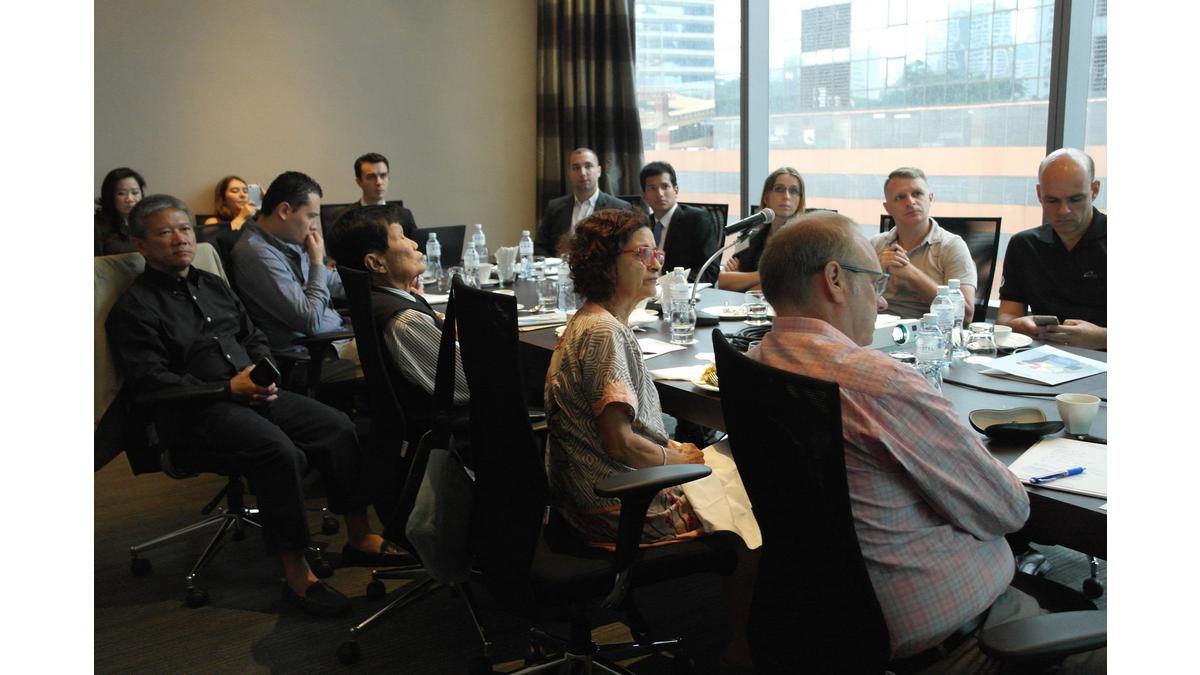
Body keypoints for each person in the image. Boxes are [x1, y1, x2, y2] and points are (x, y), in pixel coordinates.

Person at [750, 213, 1099, 671]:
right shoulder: (879, 382)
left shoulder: (757, 362)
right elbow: (1010, 510)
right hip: (962, 638)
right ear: (834, 280)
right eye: (874, 283)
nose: (880, 302)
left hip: (823, 612)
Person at [106, 194, 405, 618]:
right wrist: (227, 388)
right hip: (197, 413)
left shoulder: (213, 285)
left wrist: (263, 372)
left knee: (337, 426)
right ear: (140, 244)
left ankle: (360, 538)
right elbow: (152, 384)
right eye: (165, 233)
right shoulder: (134, 309)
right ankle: (297, 577)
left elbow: (253, 336)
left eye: (185, 229)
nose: (180, 239)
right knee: (278, 451)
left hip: (253, 391)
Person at [545, 208, 754, 667]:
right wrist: (679, 458)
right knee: (755, 512)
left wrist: (677, 451)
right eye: (643, 253)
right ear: (606, 264)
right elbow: (621, 444)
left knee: (725, 464)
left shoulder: (590, 321)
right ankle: (742, 650)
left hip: (584, 497)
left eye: (656, 251)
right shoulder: (605, 334)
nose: (657, 262)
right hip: (616, 507)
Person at [327, 204, 469, 408]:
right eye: (401, 237)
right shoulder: (407, 321)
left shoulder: (380, 298)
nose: (414, 243)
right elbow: (472, 383)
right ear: (376, 263)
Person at [231, 171, 359, 382]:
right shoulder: (256, 253)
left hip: (338, 340)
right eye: (311, 216)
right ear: (284, 211)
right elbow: (310, 320)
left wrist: (379, 284)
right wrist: (317, 262)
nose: (314, 226)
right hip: (313, 359)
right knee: (392, 354)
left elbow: (331, 281)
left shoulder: (287, 242)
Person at [998, 148, 1106, 350]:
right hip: (1040, 356)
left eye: (1075, 199)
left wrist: (1101, 338)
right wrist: (1018, 325)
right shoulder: (1024, 245)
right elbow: (1006, 317)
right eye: (1052, 200)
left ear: (1095, 190)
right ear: (1040, 195)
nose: (1063, 210)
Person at [871, 167, 977, 322]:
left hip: (929, 332)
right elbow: (848, 303)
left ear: (930, 198)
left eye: (917, 194)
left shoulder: (952, 246)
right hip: (877, 329)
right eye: (900, 197)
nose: (910, 202)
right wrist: (876, 272)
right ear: (888, 208)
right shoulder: (874, 245)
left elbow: (966, 316)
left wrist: (912, 274)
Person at [719, 167, 806, 292]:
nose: (786, 196)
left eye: (793, 191)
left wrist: (742, 280)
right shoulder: (749, 236)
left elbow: (790, 287)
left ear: (800, 200)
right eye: (779, 189)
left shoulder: (806, 240)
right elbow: (723, 281)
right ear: (766, 197)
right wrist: (769, 276)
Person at [535, 147, 633, 256]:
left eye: (588, 166)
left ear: (599, 171)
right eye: (576, 168)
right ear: (569, 174)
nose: (582, 173)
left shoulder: (619, 208)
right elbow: (540, 247)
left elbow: (627, 250)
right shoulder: (554, 207)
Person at [639, 161, 719, 284]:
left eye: (665, 186)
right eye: (652, 188)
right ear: (644, 195)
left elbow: (709, 271)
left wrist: (671, 284)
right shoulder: (643, 225)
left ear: (676, 190)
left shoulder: (697, 220)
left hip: (681, 291)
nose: (659, 193)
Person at [336, 152, 418, 235]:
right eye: (371, 177)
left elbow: (416, 242)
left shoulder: (404, 215)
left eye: (383, 175)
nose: (379, 182)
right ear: (359, 182)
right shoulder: (344, 217)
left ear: (388, 178)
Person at [94, 167, 146, 256]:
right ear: (110, 196)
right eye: (121, 193)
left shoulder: (149, 221)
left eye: (135, 193)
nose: (130, 199)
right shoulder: (97, 225)